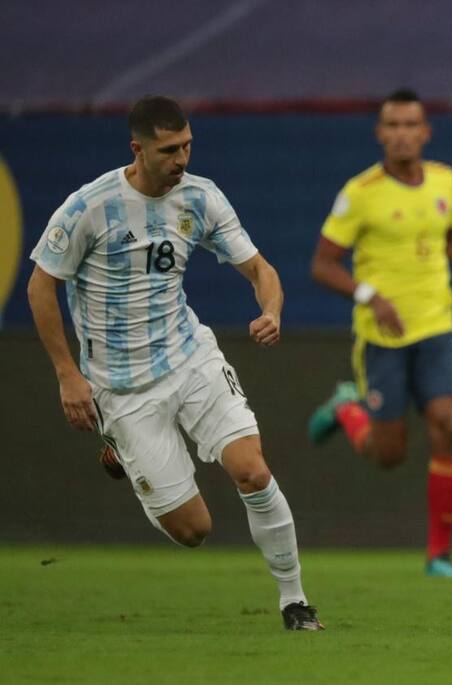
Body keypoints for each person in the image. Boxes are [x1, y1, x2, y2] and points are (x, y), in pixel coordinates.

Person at [26, 96, 323, 631]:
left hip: (190, 359)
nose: (182, 158)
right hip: (120, 388)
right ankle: (120, 444)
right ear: (137, 150)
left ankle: (295, 602)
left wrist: (271, 310)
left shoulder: (201, 198)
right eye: (169, 150)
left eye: (187, 145)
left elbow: (260, 269)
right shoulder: (89, 207)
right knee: (194, 530)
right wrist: (68, 375)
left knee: (253, 471)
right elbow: (41, 286)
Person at [307, 89, 452, 578]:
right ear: (380, 134)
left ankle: (439, 555)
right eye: (391, 125)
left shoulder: (445, 179)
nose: (401, 133)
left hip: (437, 325)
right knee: (388, 454)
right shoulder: (360, 193)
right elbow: (322, 265)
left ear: (425, 132)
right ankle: (346, 408)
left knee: (448, 424)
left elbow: (449, 240)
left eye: (409, 124)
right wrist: (370, 296)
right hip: (382, 338)